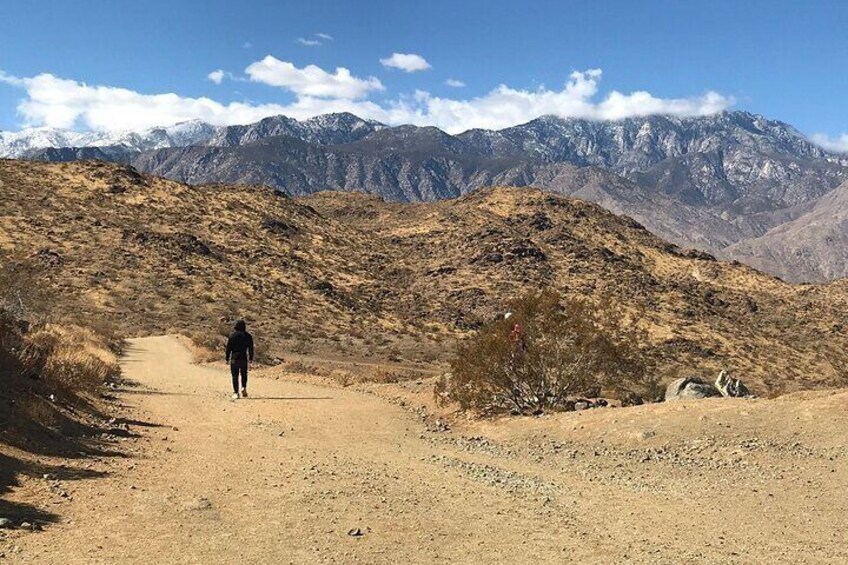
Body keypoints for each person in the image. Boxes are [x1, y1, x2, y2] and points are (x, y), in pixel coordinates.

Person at [225, 320, 254, 399]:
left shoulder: (232, 336)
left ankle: (236, 392)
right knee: (244, 374)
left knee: (235, 375)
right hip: (243, 357)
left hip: (235, 357)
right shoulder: (248, 336)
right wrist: (251, 358)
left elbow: (228, 348)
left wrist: (227, 358)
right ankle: (243, 387)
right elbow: (251, 348)